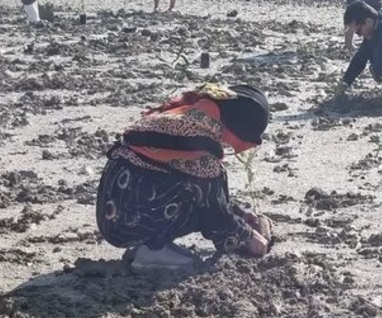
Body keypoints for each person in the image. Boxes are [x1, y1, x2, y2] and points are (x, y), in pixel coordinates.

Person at [95, 83, 275, 271]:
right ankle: (151, 249)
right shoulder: (202, 143)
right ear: (238, 127)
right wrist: (247, 238)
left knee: (204, 187)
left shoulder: (196, 114)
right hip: (125, 222)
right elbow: (214, 213)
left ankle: (148, 243)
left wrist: (240, 215)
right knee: (201, 201)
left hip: (117, 207)